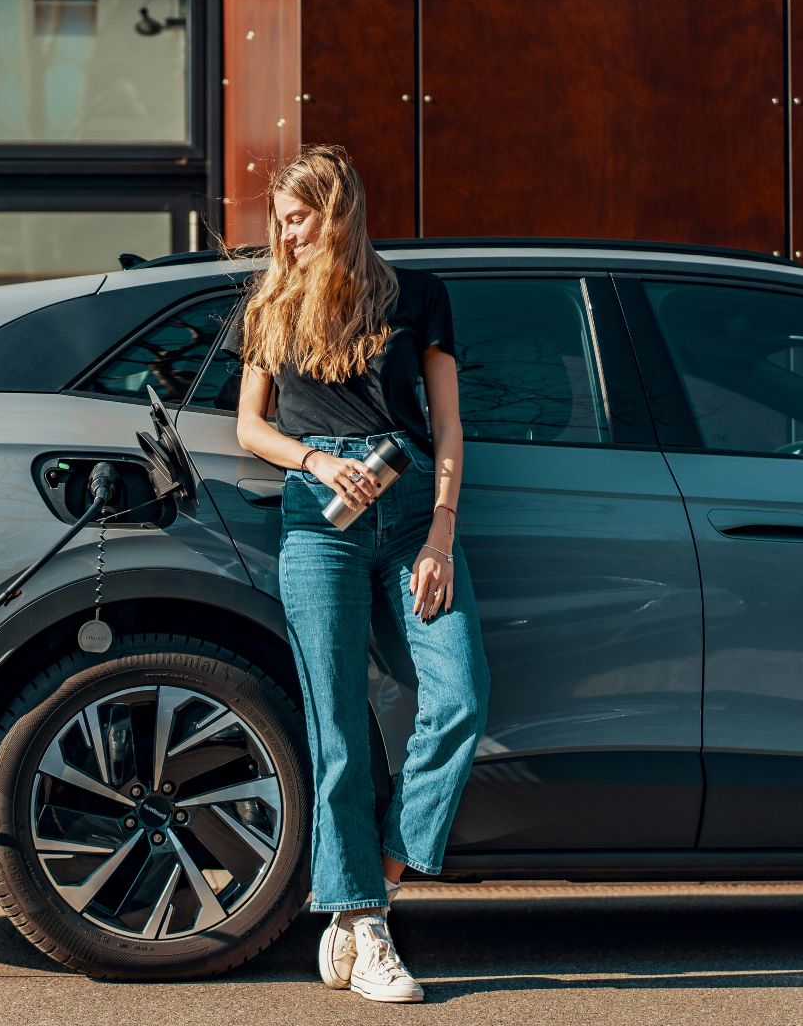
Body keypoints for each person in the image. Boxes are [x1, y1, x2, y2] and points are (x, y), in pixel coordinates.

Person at [221, 144, 491, 1004]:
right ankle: (364, 927)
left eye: (298, 218)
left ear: (336, 212)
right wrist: (314, 462)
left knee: (460, 697)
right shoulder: (271, 301)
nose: (286, 234)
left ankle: (372, 883)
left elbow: (447, 427)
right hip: (320, 520)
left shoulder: (415, 295)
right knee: (336, 725)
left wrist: (442, 536)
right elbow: (249, 430)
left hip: (412, 510)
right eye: (281, 221)